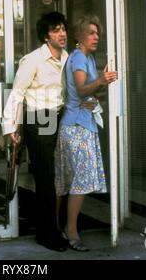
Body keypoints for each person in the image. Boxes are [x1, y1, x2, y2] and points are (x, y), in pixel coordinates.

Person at [2, 11, 69, 252]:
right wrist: (11, 126)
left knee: (56, 177)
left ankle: (55, 228)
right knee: (45, 177)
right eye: (55, 30)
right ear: (45, 36)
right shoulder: (33, 60)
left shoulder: (67, 58)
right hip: (38, 119)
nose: (62, 33)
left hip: (59, 117)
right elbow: (17, 93)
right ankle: (47, 234)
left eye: (63, 28)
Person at [54, 15, 117, 251]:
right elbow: (81, 90)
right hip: (77, 128)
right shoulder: (79, 57)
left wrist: (98, 90)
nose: (96, 37)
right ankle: (71, 231)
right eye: (91, 33)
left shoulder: (86, 58)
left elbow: (85, 96)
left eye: (98, 33)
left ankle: (58, 227)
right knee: (78, 183)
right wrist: (100, 80)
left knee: (67, 182)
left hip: (79, 124)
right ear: (79, 36)